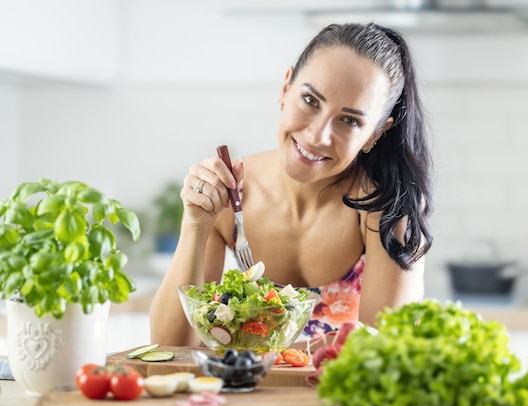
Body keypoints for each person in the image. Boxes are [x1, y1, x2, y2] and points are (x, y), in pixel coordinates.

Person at [150, 22, 433, 346]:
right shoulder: (232, 195)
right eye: (311, 100)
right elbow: (171, 350)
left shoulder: (386, 207)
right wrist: (195, 223)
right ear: (286, 88)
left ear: (375, 134)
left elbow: (386, 355)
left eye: (350, 120)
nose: (317, 136)